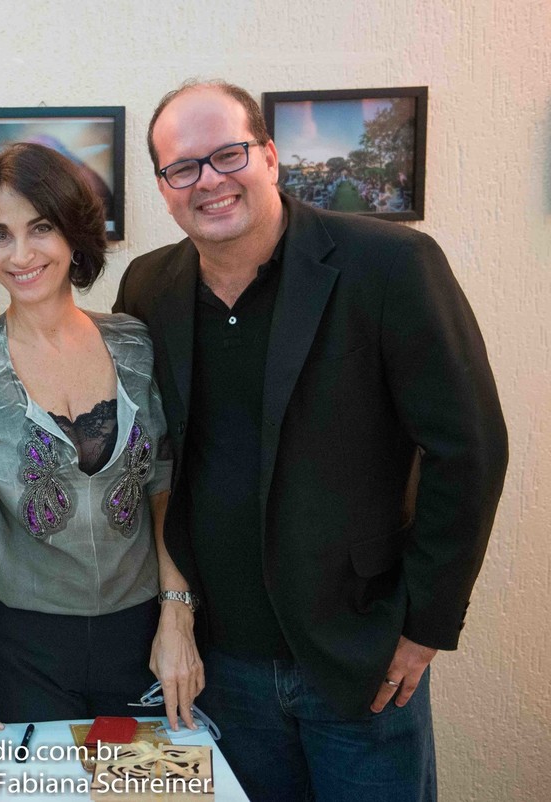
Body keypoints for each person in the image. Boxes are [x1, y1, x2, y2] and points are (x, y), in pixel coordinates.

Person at [113, 80, 507, 801]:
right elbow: (155, 461)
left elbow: (470, 449)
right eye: (183, 167)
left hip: (361, 658)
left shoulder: (389, 265)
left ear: (269, 156)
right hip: (220, 664)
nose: (209, 180)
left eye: (228, 154)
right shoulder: (148, 288)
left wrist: (425, 626)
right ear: (164, 188)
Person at [0, 142, 201, 740]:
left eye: (40, 228)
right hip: (23, 647)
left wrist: (178, 614)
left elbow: (165, 487)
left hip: (142, 638)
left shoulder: (137, 346)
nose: (21, 255)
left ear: (73, 233)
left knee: (144, 791)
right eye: (0, 235)